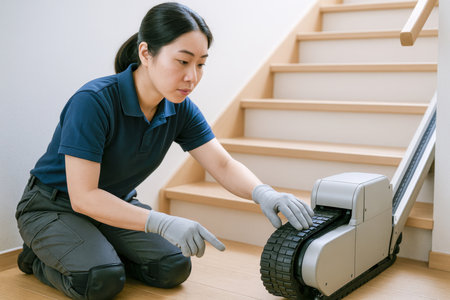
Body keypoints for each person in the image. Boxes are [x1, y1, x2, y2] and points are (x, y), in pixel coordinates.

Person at [15, 2, 314, 299]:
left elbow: (221, 164)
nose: (192, 77)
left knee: (172, 266)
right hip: (53, 207)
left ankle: (97, 249)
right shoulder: (94, 101)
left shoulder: (179, 108)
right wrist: (161, 221)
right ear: (146, 53)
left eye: (200, 64)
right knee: (100, 280)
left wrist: (264, 193)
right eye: (183, 62)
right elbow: (84, 196)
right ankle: (36, 258)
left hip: (114, 206)